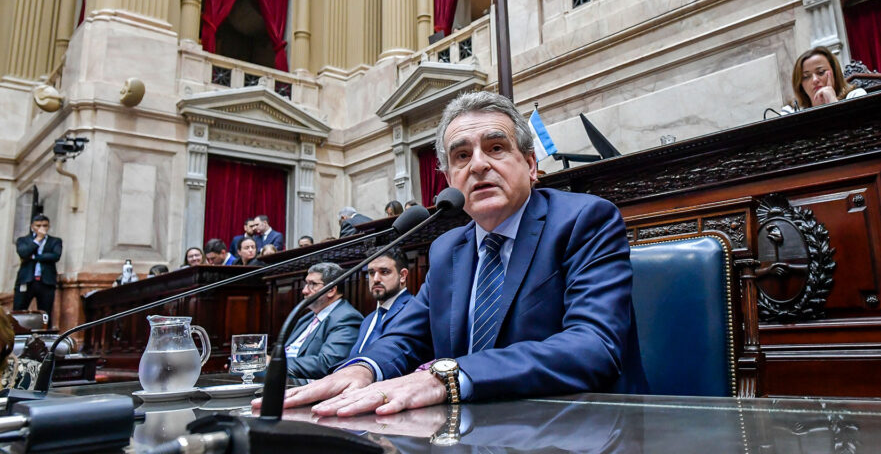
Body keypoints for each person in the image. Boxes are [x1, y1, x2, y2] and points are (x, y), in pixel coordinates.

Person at [258, 91, 644, 418]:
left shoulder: (583, 220)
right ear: (449, 181)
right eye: (461, 156)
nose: (478, 164)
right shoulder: (447, 248)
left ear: (530, 165)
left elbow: (594, 346)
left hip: (576, 424)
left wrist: (448, 377)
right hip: (468, 427)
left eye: (496, 148)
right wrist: (363, 369)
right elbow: (409, 336)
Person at [284, 262, 363, 382]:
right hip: (286, 377)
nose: (304, 291)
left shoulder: (347, 318)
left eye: (313, 284)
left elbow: (327, 363)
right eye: (306, 284)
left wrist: (277, 365)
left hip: (305, 384)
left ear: (331, 290)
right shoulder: (306, 318)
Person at [353, 248, 413, 355]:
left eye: (384, 272)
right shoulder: (367, 320)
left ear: (403, 276)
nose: (376, 279)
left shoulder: (414, 309)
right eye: (371, 273)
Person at [14, 215, 63, 318]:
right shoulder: (23, 240)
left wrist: (34, 257)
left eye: (44, 225)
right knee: (18, 311)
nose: (41, 228)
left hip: (46, 282)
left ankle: (45, 328)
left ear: (48, 226)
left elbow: (55, 256)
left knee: (45, 313)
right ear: (32, 226)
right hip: (27, 280)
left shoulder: (55, 241)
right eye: (38, 226)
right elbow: (23, 253)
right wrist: (38, 239)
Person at [791, 47, 867, 109]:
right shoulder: (792, 110)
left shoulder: (856, 95)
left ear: (834, 72)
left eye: (821, 72)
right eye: (806, 77)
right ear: (800, 84)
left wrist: (832, 101)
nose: (815, 80)